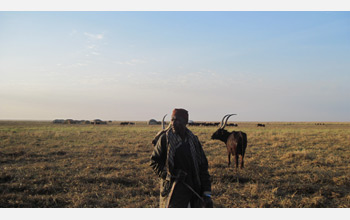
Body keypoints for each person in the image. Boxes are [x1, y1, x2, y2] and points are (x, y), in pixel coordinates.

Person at [150, 108, 213, 208]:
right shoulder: (164, 139)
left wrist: (206, 193)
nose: (174, 123)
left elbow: (203, 166)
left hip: (194, 190)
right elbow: (155, 162)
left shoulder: (193, 140)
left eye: (178, 120)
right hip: (173, 191)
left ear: (185, 122)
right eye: (172, 120)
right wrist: (170, 174)